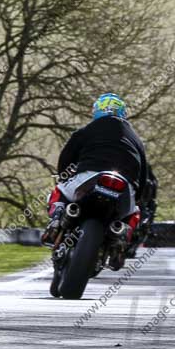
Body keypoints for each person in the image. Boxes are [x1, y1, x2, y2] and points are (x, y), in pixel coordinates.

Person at [42, 93, 156, 259]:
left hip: (88, 177)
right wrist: (137, 197)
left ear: (97, 111)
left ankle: (57, 217)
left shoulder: (87, 130)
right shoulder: (136, 139)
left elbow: (66, 156)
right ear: (122, 112)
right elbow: (143, 173)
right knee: (134, 211)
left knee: (60, 189)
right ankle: (121, 238)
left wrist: (64, 175)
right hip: (125, 186)